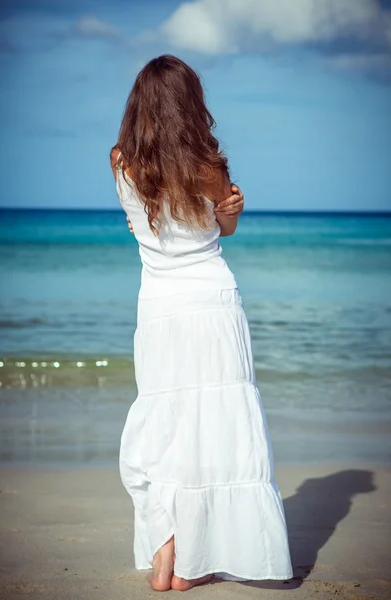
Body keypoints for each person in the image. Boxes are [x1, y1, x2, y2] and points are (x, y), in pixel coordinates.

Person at [110, 55, 292, 592]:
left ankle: (169, 543)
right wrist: (233, 206)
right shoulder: (206, 165)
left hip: (159, 308)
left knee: (166, 426)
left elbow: (137, 223)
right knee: (211, 429)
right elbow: (226, 229)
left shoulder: (122, 161)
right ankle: (194, 560)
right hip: (210, 303)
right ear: (190, 104)